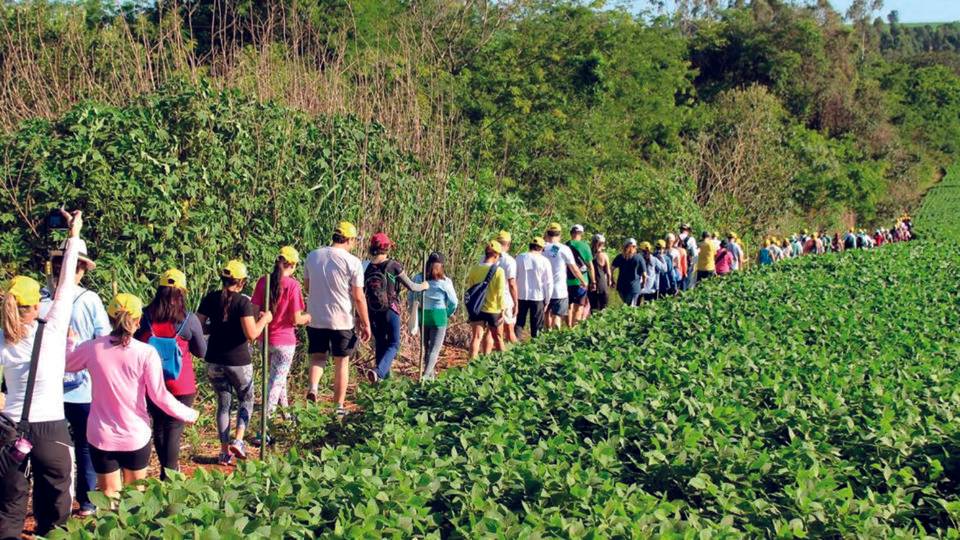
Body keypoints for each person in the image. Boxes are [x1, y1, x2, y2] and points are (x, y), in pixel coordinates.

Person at [66, 293, 198, 499]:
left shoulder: (91, 349)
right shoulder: (146, 352)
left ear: (110, 319)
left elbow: (67, 364)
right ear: (137, 321)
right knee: (135, 498)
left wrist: (69, 342)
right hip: (135, 435)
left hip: (101, 435)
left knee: (109, 495)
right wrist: (188, 413)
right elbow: (160, 396)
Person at [0, 210, 82, 538]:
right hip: (50, 427)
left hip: (9, 427)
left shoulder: (2, 338)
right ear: (36, 307)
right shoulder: (52, 328)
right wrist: (73, 234)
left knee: (9, 504)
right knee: (57, 498)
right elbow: (65, 283)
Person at [38, 238, 108, 516]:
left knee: (51, 448)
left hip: (47, 391)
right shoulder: (89, 300)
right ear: (81, 269)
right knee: (85, 445)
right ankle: (87, 501)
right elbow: (103, 340)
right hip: (83, 389)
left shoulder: (41, 301)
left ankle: (56, 503)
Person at [197, 260, 272, 465]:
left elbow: (199, 326)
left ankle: (223, 452)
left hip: (214, 359)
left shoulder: (210, 298)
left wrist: (215, 331)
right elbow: (252, 334)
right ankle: (238, 441)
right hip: (238, 360)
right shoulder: (242, 302)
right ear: (241, 282)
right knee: (246, 399)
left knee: (223, 404)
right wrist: (265, 320)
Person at [135, 269, 206, 480]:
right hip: (181, 384)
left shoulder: (145, 316)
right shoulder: (188, 320)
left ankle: (166, 472)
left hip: (153, 382)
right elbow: (201, 351)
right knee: (174, 429)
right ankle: (169, 475)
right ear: (182, 293)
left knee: (159, 426)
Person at [304, 221, 371, 418]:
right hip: (341, 319)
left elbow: (307, 286)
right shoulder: (353, 262)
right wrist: (365, 322)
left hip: (316, 317)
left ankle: (313, 388)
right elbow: (358, 296)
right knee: (342, 362)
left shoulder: (313, 256)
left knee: (317, 357)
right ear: (349, 239)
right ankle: (338, 406)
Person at [250, 247, 311, 420]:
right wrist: (308, 318)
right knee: (276, 381)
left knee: (278, 377)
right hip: (285, 341)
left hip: (265, 339)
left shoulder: (264, 281)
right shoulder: (293, 285)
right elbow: (295, 319)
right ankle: (265, 423)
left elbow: (254, 310)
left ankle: (287, 416)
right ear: (291, 265)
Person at [362, 233, 427, 383]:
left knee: (380, 343)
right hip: (390, 310)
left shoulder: (366, 267)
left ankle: (379, 381)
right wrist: (424, 285)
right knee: (394, 343)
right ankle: (378, 372)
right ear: (387, 248)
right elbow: (412, 286)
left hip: (372, 311)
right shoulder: (394, 265)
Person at [408, 252, 458, 380]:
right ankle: (425, 375)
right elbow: (453, 302)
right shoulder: (445, 282)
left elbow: (411, 296)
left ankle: (430, 375)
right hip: (439, 316)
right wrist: (448, 313)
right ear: (441, 266)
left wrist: (412, 311)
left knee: (426, 346)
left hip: (423, 315)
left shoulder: (418, 278)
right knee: (434, 349)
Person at [466, 241, 507, 358]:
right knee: (498, 338)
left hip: (477, 309)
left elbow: (471, 288)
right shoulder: (499, 271)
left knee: (476, 337)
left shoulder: (474, 269)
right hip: (493, 309)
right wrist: (502, 310)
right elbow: (500, 293)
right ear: (495, 255)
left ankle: (471, 365)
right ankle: (503, 363)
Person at [543, 223, 586, 330]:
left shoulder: (541, 248)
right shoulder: (564, 249)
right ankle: (555, 331)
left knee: (546, 312)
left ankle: (548, 331)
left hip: (544, 289)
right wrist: (583, 281)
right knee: (557, 315)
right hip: (559, 289)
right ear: (560, 234)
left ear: (547, 233)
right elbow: (574, 268)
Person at [515, 237, 553, 339]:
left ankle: (515, 343)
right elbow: (548, 282)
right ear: (541, 249)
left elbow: (514, 277)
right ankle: (535, 345)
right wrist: (547, 300)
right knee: (536, 324)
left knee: (519, 322)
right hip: (538, 296)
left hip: (521, 294)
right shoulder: (544, 261)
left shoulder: (519, 258)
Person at [565, 225, 595, 326]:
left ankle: (569, 327)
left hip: (567, 281)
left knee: (569, 306)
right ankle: (575, 327)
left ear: (571, 233)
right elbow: (591, 266)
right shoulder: (585, 246)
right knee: (579, 306)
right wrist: (593, 281)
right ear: (581, 234)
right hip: (582, 281)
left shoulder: (566, 245)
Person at [494, 231, 519, 344]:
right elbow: (512, 284)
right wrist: (516, 303)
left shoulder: (486, 257)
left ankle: (487, 357)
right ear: (508, 244)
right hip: (505, 298)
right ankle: (518, 356)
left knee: (491, 331)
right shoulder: (509, 261)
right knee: (509, 330)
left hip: (490, 298)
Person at [611, 238, 645, 306]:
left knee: (626, 306)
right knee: (631, 308)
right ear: (635, 247)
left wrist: (612, 280)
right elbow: (644, 275)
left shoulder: (620, 257)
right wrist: (643, 284)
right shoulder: (639, 258)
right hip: (634, 288)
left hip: (621, 287)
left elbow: (611, 269)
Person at [589, 234, 612, 313]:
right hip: (602, 283)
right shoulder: (604, 256)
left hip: (592, 284)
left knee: (593, 308)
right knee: (604, 308)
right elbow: (608, 272)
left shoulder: (590, 255)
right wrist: (609, 281)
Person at [679, 224, 699, 290]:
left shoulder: (675, 238)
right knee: (687, 279)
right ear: (688, 230)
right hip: (686, 261)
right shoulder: (691, 239)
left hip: (676, 262)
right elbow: (694, 253)